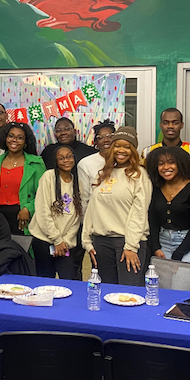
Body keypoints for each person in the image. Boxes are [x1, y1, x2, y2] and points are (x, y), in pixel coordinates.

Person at [82, 127, 152, 286]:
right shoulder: (102, 174)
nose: (122, 150)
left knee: (128, 294)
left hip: (127, 243)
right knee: (107, 292)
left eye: (127, 147)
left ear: (134, 150)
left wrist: (131, 246)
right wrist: (86, 240)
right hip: (101, 242)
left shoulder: (139, 175)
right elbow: (92, 208)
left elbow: (139, 213)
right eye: (118, 145)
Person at [0, 122, 45, 236]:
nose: (14, 140)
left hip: (24, 217)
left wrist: (28, 209)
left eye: (20, 138)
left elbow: (43, 194)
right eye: (11, 136)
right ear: (5, 138)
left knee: (22, 251)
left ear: (26, 142)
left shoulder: (36, 163)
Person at [29, 145, 83, 278]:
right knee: (45, 283)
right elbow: (43, 211)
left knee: (69, 279)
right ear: (55, 161)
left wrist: (64, 242)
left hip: (66, 244)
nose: (66, 160)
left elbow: (77, 218)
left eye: (69, 156)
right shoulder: (49, 177)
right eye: (61, 158)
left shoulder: (78, 182)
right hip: (44, 239)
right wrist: (56, 240)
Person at [147, 146, 190, 263]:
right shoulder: (156, 188)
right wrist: (156, 248)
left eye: (171, 163)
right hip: (163, 240)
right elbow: (152, 221)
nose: (166, 167)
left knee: (182, 280)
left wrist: (179, 253)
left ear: (181, 164)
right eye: (161, 164)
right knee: (164, 281)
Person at [74, 120, 116, 280]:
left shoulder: (124, 159)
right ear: (95, 142)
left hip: (121, 225)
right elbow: (84, 198)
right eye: (101, 137)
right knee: (101, 271)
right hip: (98, 226)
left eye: (110, 136)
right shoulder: (86, 164)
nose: (106, 140)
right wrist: (88, 228)